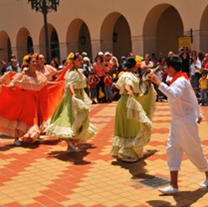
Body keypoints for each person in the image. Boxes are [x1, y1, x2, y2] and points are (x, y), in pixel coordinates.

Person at [148, 55, 208, 195]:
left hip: (185, 124)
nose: (166, 70)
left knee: (195, 152)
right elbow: (192, 98)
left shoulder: (180, 81)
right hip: (177, 123)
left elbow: (174, 94)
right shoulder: (179, 78)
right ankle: (174, 186)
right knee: (172, 150)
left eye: (167, 67)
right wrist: (198, 114)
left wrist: (158, 82)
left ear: (171, 67)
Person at [46, 52, 97, 153]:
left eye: (81, 60)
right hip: (74, 97)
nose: (81, 62)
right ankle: (70, 143)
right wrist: (73, 94)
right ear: (73, 61)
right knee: (73, 118)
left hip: (79, 95)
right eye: (79, 60)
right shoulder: (72, 72)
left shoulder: (78, 71)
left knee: (78, 118)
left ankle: (71, 144)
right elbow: (70, 85)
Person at [110, 56, 156, 162]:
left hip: (127, 102)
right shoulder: (128, 76)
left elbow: (119, 85)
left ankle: (126, 151)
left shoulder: (129, 75)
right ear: (135, 65)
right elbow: (127, 85)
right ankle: (127, 153)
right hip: (127, 103)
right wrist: (129, 91)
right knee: (130, 128)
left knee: (129, 127)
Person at [0, 55, 48, 145]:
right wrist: (4, 87)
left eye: (35, 62)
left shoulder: (39, 75)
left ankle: (32, 134)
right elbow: (13, 84)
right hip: (24, 101)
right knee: (19, 119)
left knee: (33, 120)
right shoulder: (23, 75)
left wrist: (58, 83)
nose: (35, 63)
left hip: (35, 101)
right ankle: (16, 138)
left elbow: (46, 83)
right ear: (28, 64)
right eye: (33, 62)